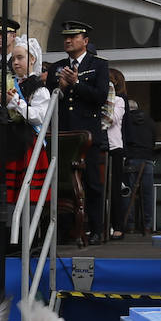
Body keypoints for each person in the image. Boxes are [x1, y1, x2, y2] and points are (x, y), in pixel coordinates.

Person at [47, 20, 111, 244]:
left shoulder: (99, 65)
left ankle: (96, 229)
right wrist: (61, 88)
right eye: (65, 37)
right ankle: (65, 229)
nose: (67, 40)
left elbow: (100, 96)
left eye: (73, 37)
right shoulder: (56, 67)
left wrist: (76, 84)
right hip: (64, 134)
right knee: (63, 183)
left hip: (88, 133)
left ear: (85, 41)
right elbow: (50, 99)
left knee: (92, 183)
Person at [0, 37, 50, 205]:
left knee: (22, 195)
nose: (15, 62)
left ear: (32, 59)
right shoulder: (6, 83)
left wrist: (15, 103)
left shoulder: (40, 88)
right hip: (0, 141)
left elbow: (38, 117)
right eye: (13, 58)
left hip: (24, 144)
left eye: (20, 58)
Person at [121, 96, 157, 236]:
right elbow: (154, 140)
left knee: (128, 193)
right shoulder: (150, 121)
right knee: (147, 195)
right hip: (147, 159)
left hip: (131, 159)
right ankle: (147, 226)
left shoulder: (126, 120)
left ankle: (130, 226)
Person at [105, 68, 128, 240]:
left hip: (114, 148)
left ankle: (118, 225)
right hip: (99, 145)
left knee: (114, 188)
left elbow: (111, 119)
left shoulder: (119, 101)